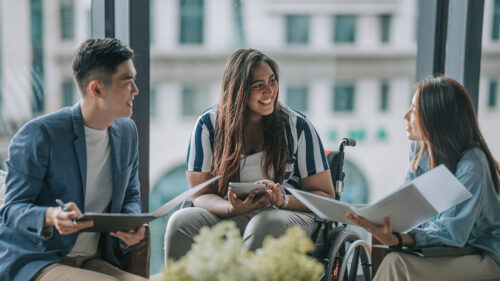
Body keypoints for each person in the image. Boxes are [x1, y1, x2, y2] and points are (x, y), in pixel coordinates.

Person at [164, 48, 335, 262]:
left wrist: (283, 200)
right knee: (181, 222)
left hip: (284, 216)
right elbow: (200, 195)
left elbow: (327, 197)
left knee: (264, 223)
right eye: (259, 86)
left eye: (272, 81)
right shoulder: (208, 125)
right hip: (228, 214)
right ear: (239, 90)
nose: (269, 91)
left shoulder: (298, 126)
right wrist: (230, 207)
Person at [0, 38, 147, 281]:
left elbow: (130, 194)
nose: (136, 90)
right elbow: (12, 209)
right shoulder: (40, 135)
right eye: (128, 81)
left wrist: (130, 224)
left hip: (92, 259)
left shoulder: (127, 132)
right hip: (37, 259)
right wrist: (51, 216)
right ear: (96, 89)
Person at [346, 75, 500, 281]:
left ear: (436, 118)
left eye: (415, 110)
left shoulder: (472, 163)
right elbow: (407, 204)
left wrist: (400, 238)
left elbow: (452, 232)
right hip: (453, 250)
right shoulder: (421, 150)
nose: (405, 115)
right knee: (393, 257)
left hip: (486, 255)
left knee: (396, 263)